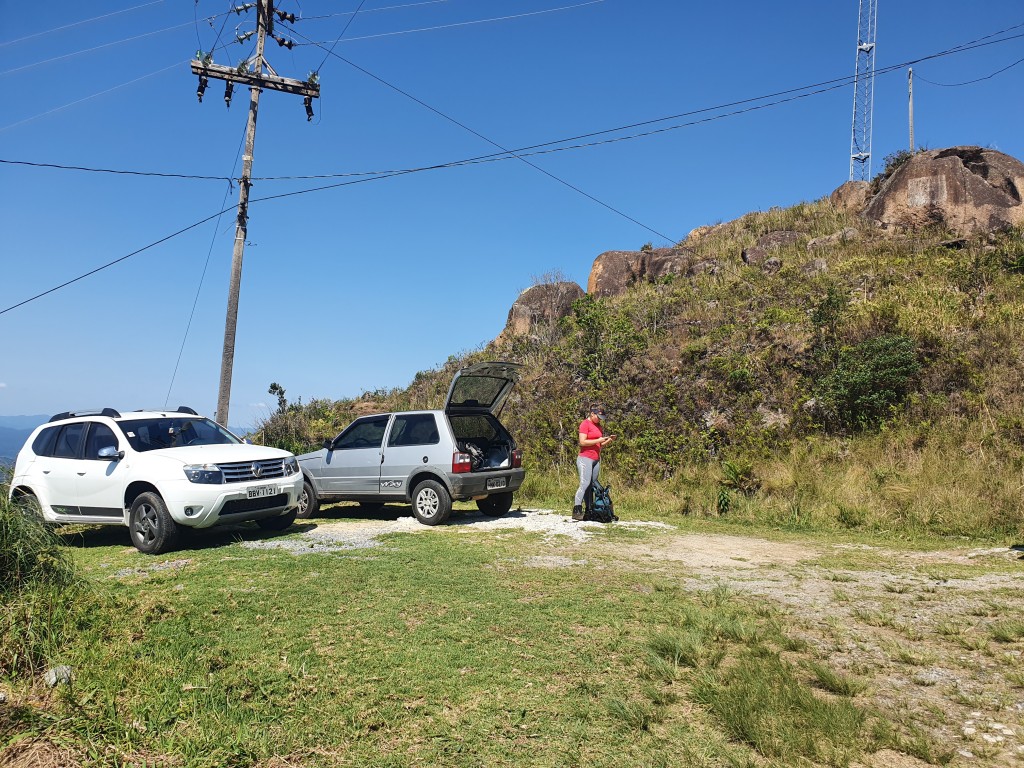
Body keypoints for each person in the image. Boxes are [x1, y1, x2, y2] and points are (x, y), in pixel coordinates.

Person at [573, 404, 615, 520]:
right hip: (585, 458)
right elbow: (582, 442)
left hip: (595, 459)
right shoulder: (585, 424)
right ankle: (577, 509)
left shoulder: (598, 426)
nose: (600, 420)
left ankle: (589, 509)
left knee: (591, 485)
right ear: (592, 414)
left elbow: (599, 444)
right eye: (598, 417)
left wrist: (608, 440)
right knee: (584, 483)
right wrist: (598, 440)